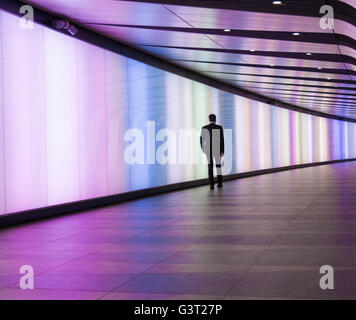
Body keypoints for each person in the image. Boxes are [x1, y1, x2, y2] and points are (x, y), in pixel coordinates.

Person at [200, 114, 224, 190]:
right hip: (217, 149)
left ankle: (211, 185)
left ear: (209, 119)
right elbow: (222, 140)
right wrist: (222, 150)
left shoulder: (204, 128)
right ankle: (219, 184)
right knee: (218, 167)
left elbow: (201, 139)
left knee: (210, 167)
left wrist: (203, 149)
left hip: (208, 150)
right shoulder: (219, 127)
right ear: (215, 119)